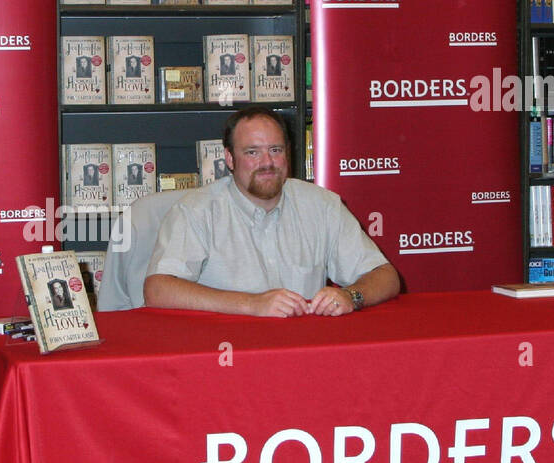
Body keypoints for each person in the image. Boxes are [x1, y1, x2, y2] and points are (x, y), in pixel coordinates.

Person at [144, 107, 400, 317]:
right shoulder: (196, 211)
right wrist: (252, 304)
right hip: (225, 353)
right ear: (230, 159)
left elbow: (386, 277)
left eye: (275, 150)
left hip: (303, 351)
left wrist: (351, 296)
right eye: (252, 152)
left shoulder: (322, 205)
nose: (267, 163)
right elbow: (158, 289)